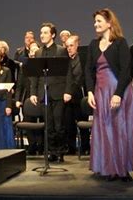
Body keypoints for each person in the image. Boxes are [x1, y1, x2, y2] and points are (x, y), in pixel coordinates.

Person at [86, 9, 133, 181]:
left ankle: (123, 169)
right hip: (101, 92)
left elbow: (126, 71)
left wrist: (118, 94)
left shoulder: (120, 43)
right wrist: (90, 91)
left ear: (109, 23)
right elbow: (88, 71)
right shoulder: (93, 44)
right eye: (95, 21)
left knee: (120, 129)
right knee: (105, 130)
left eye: (99, 21)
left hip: (118, 91)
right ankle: (110, 168)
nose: (96, 24)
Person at [30, 22, 71, 163]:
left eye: (45, 32)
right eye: (41, 32)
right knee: (48, 125)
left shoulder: (61, 50)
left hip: (59, 92)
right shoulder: (38, 52)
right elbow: (35, 75)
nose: (42, 35)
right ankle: (52, 152)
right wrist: (33, 93)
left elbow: (68, 72)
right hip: (44, 93)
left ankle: (60, 152)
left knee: (59, 124)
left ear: (53, 34)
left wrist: (68, 91)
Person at [64, 35, 86, 155]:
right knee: (69, 124)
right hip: (67, 98)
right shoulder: (65, 60)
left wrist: (70, 92)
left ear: (77, 45)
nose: (69, 48)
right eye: (67, 46)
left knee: (82, 123)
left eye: (71, 45)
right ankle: (71, 148)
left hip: (79, 95)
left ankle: (85, 147)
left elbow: (79, 78)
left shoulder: (82, 59)